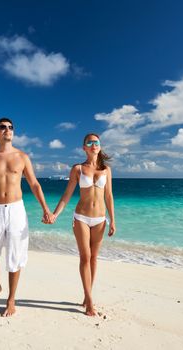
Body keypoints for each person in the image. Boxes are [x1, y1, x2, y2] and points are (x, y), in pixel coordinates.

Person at [0, 117, 52, 317]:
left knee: (15, 256)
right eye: (2, 127)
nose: (7, 130)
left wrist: (45, 209)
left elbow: (34, 184)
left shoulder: (22, 157)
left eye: (10, 127)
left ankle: (11, 298)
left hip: (16, 210)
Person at [47, 133, 116, 316]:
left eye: (96, 142)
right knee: (85, 257)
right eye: (90, 142)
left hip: (101, 219)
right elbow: (67, 195)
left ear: (100, 147)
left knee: (94, 258)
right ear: (84, 148)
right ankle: (90, 300)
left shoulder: (106, 170)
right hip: (81, 218)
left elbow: (108, 196)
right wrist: (54, 214)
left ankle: (88, 294)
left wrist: (113, 220)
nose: (94, 144)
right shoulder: (77, 169)